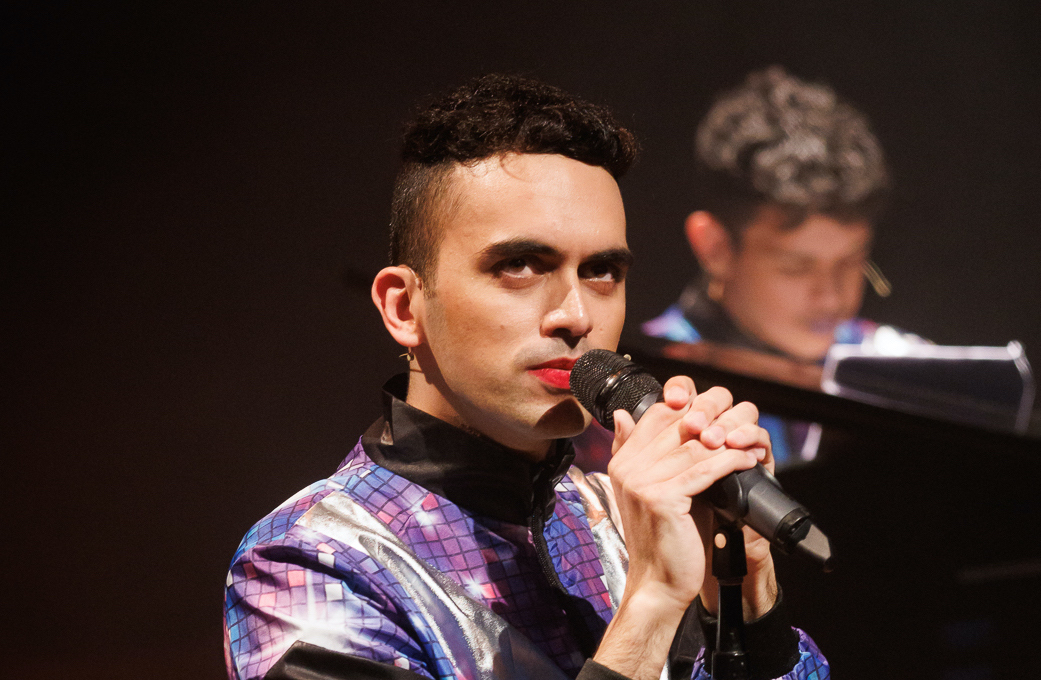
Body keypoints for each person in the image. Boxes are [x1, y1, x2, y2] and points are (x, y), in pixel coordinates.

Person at [223, 75, 828, 680]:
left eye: (602, 271)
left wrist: (748, 598)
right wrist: (648, 606)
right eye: (519, 265)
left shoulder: (626, 518)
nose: (576, 315)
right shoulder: (312, 559)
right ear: (404, 307)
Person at [643, 66, 925, 468]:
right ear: (715, 247)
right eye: (795, 267)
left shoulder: (901, 369)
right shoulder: (648, 388)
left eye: (851, 262)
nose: (831, 296)